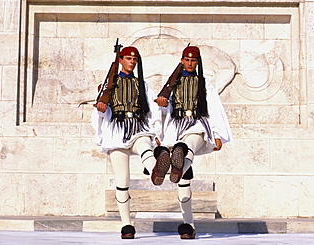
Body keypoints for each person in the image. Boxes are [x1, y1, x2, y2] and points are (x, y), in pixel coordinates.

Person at [154, 46, 232, 239]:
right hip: (176, 127)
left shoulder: (204, 83)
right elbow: (164, 110)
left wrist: (217, 134)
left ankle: (168, 166)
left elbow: (213, 107)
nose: (190, 63)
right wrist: (162, 105)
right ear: (181, 61)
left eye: (193, 60)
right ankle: (188, 225)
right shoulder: (172, 84)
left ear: (197, 63)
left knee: (187, 147)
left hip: (198, 124)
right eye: (187, 60)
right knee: (184, 180)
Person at [91, 46, 166, 239]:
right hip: (116, 129)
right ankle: (126, 225)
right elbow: (100, 111)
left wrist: (156, 132)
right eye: (129, 58)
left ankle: (156, 170)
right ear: (121, 60)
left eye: (135, 59)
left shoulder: (142, 84)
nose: (132, 62)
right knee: (122, 181)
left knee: (145, 146)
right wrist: (100, 109)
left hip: (138, 125)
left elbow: (151, 110)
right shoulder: (107, 84)